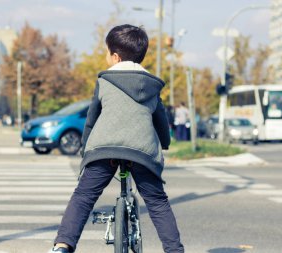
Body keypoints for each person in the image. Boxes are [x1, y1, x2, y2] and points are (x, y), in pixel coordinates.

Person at [49, 25, 184, 253]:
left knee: (83, 196)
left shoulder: (105, 81)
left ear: (115, 56)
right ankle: (175, 251)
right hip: (142, 151)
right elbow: (161, 120)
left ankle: (63, 246)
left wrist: (86, 147)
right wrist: (165, 142)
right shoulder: (152, 85)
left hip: (104, 147)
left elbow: (92, 117)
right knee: (157, 202)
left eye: (106, 52)